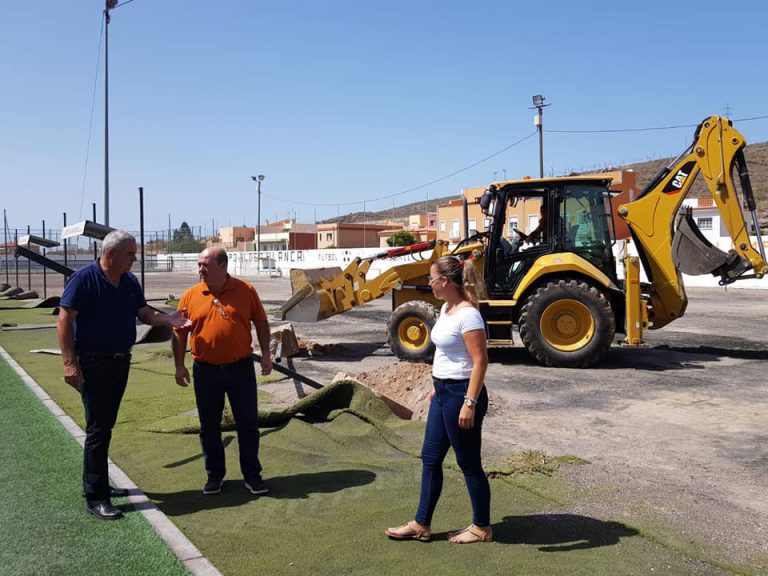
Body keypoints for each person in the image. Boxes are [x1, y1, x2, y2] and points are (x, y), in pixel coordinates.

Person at [57, 230, 191, 520]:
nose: (135, 258)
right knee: (98, 427)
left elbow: (143, 313)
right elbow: (65, 320)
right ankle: (96, 496)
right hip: (92, 363)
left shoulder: (129, 281)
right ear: (110, 254)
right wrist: (70, 363)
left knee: (105, 423)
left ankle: (97, 483)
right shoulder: (83, 279)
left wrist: (168, 318)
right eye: (130, 254)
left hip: (120, 362)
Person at [385, 255, 492, 544]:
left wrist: (469, 402)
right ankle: (421, 523)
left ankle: (482, 527)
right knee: (430, 459)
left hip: (462, 395)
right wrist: (436, 384)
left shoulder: (468, 314)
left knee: (469, 464)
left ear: (445, 281)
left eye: (431, 279)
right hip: (443, 393)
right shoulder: (445, 309)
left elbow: (480, 361)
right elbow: (446, 352)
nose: (429, 283)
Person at [172, 246, 273, 496]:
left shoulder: (245, 290)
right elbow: (179, 332)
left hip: (241, 369)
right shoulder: (190, 295)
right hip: (205, 372)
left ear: (222, 266)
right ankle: (214, 476)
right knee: (209, 426)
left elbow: (261, 322)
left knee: (248, 424)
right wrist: (178, 365)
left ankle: (252, 476)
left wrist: (267, 355)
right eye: (199, 265)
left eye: (205, 265)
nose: (200, 270)